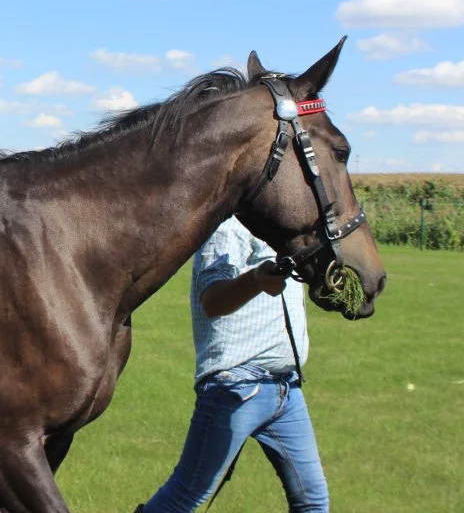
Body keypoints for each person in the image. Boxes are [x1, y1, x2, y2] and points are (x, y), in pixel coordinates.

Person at [141, 216, 329, 512]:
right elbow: (212, 300)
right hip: (238, 386)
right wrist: (255, 280)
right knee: (184, 496)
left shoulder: (280, 228)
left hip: (287, 391)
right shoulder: (229, 224)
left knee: (313, 501)